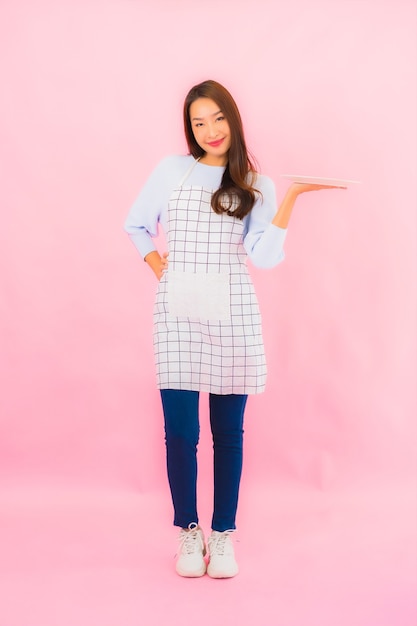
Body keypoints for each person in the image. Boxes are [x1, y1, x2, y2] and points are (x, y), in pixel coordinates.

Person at [124, 79, 345, 579]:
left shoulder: (254, 183)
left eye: (217, 118)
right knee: (180, 433)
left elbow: (263, 257)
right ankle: (189, 530)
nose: (209, 130)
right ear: (190, 128)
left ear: (232, 117)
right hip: (177, 313)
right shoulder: (171, 171)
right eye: (198, 122)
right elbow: (136, 225)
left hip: (233, 312)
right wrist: (161, 268)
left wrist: (290, 197)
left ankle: (223, 534)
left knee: (229, 434)